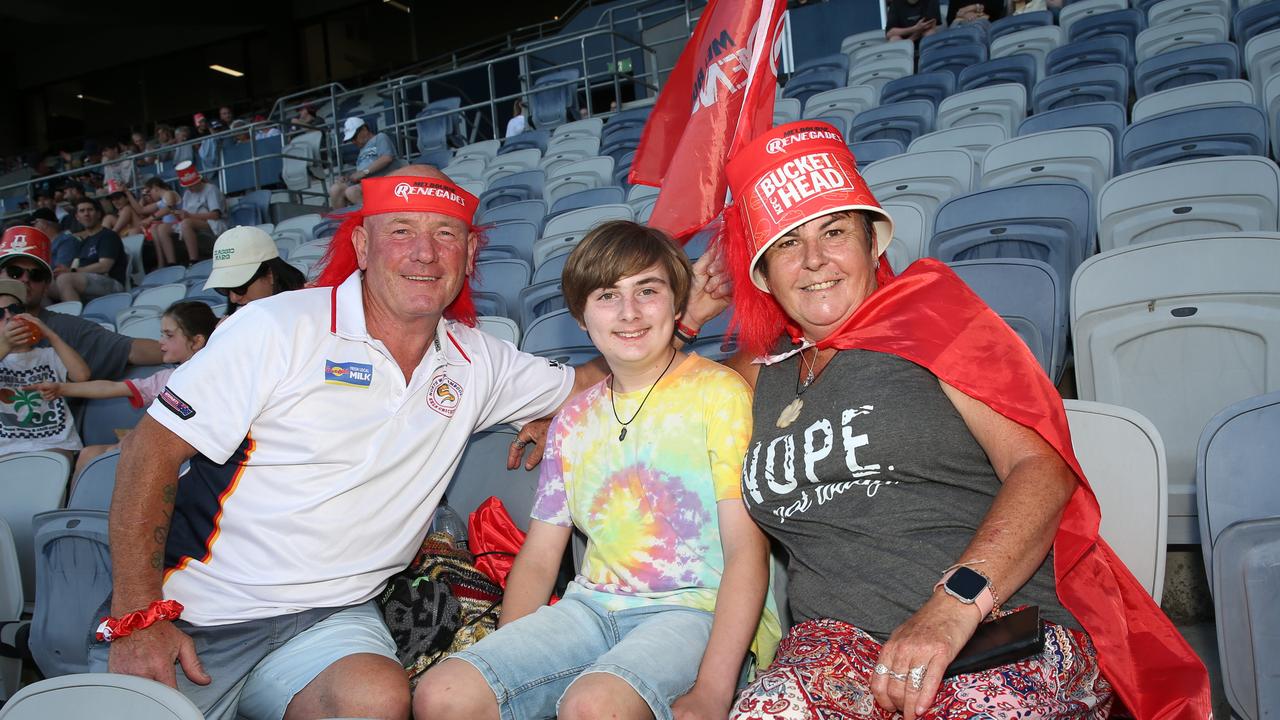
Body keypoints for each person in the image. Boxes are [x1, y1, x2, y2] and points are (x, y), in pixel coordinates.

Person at [710, 122, 1211, 720]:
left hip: (995, 626)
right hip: (836, 650)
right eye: (788, 243)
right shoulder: (754, 378)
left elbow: (1042, 468)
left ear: (873, 244)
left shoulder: (934, 320)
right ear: (763, 275)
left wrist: (954, 606)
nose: (815, 259)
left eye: (835, 231)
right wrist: (689, 299)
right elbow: (636, 377)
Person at [92, 165, 621, 720]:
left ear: (467, 256)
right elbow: (147, 451)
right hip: (197, 611)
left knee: (375, 700)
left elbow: (589, 384)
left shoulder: (477, 360)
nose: (425, 253)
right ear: (363, 246)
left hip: (333, 620)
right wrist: (138, 614)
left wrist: (670, 328)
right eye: (401, 231)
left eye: (445, 234)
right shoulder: (276, 326)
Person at [416, 221, 780, 720]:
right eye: (607, 295)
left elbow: (746, 551)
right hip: (590, 607)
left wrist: (714, 691)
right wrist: (501, 658)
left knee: (594, 707)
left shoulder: (719, 394)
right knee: (444, 693)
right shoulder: (571, 419)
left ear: (677, 305)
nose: (629, 313)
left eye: (647, 291)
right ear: (582, 318)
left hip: (695, 610)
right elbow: (542, 558)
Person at [27, 300, 217, 483]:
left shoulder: (214, 378)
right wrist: (62, 388)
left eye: (169, 335)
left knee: (113, 455)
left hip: (185, 456)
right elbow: (111, 387)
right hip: (155, 448)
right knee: (89, 454)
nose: (160, 342)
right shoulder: (166, 377)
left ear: (196, 341)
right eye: (161, 334)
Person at [0, 226, 164, 379]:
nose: (25, 280)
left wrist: (185, 350)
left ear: (45, 286)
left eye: (35, 275)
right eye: (15, 272)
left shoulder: (64, 327)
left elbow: (130, 350)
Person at [0, 277, 89, 460]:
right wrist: (5, 345)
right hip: (6, 452)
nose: (9, 316)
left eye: (15, 309)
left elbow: (82, 375)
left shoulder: (48, 354)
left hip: (55, 446)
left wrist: (48, 333)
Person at [202, 226, 306, 314]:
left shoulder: (306, 309)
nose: (233, 298)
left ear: (270, 274)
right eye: (224, 290)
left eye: (239, 287)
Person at [50, 199, 127, 302]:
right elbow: (76, 265)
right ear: (77, 217)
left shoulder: (108, 236)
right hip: (87, 281)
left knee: (64, 279)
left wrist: (72, 271)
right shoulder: (84, 242)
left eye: (90, 210)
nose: (86, 214)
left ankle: (76, 318)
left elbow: (104, 266)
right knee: (43, 287)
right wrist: (64, 269)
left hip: (112, 284)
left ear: (99, 214)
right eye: (82, 211)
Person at [152, 162, 226, 267]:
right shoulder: (187, 194)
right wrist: (178, 214)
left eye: (191, 185)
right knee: (162, 228)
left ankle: (193, 261)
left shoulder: (210, 189)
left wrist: (189, 216)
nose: (189, 188)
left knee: (186, 223)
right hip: (191, 223)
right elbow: (185, 215)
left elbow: (215, 215)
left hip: (212, 224)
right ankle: (171, 263)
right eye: (187, 186)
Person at [329, 117, 398, 209]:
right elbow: (360, 173)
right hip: (367, 183)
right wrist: (348, 178)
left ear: (364, 129)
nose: (353, 141)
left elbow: (387, 158)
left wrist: (363, 172)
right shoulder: (362, 150)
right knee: (335, 189)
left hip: (384, 181)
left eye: (354, 137)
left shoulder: (380, 137)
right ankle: (341, 222)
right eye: (351, 139)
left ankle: (374, 219)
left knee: (352, 191)